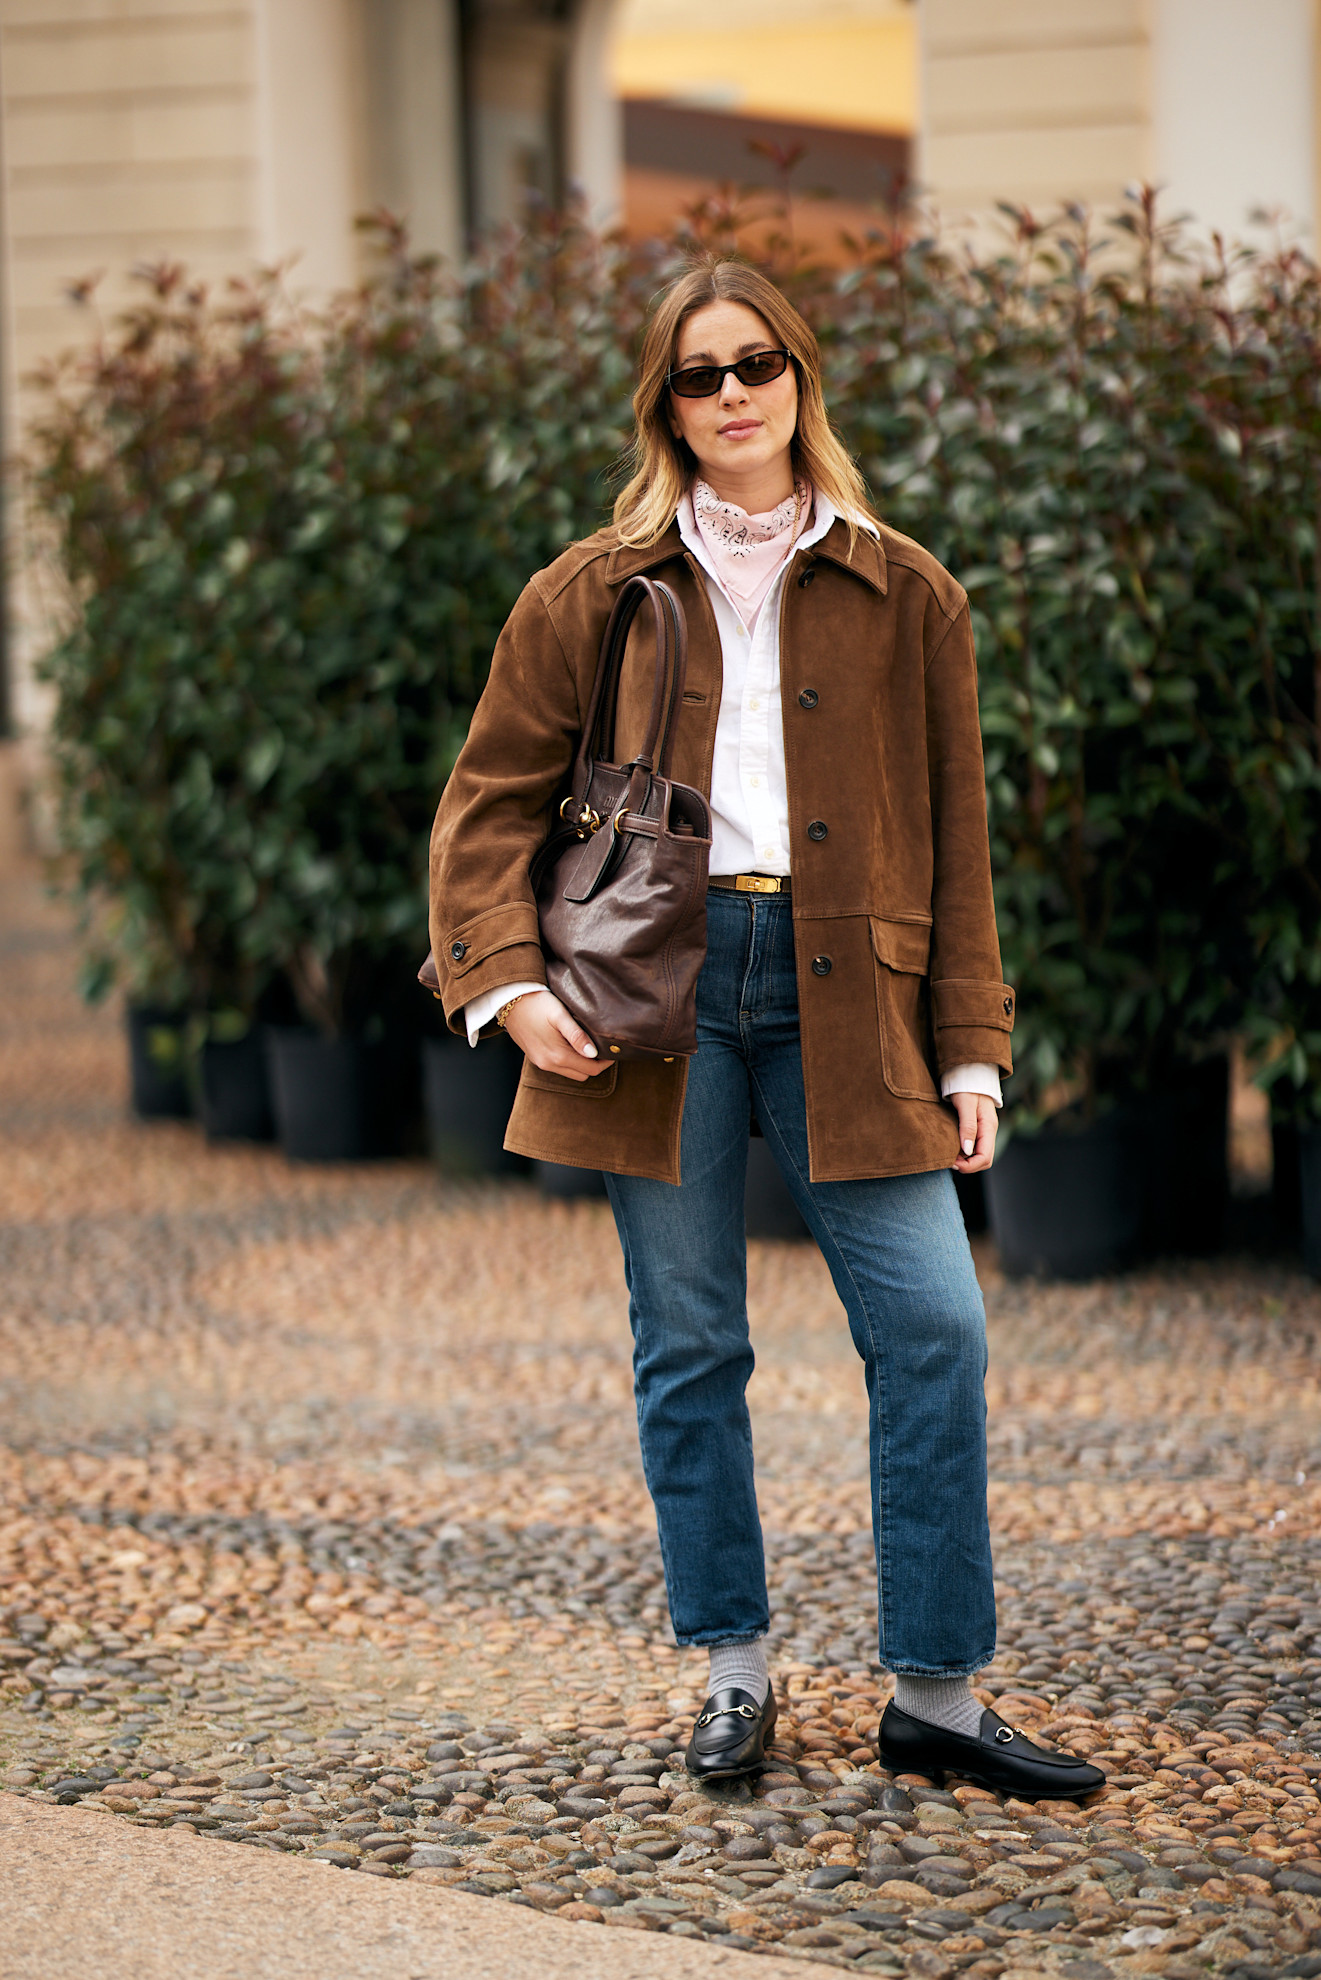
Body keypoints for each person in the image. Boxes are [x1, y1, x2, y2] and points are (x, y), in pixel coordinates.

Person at [428, 259, 1103, 1801]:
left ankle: (935, 1694)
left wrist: (970, 1044)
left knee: (933, 1327)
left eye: (756, 364)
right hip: (649, 995)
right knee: (689, 1341)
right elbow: (485, 810)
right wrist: (512, 987)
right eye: (698, 374)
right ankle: (732, 1672)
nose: (731, 394)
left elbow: (957, 837)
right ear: (663, 406)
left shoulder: (905, 589)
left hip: (847, 993)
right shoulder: (592, 591)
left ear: (799, 377)